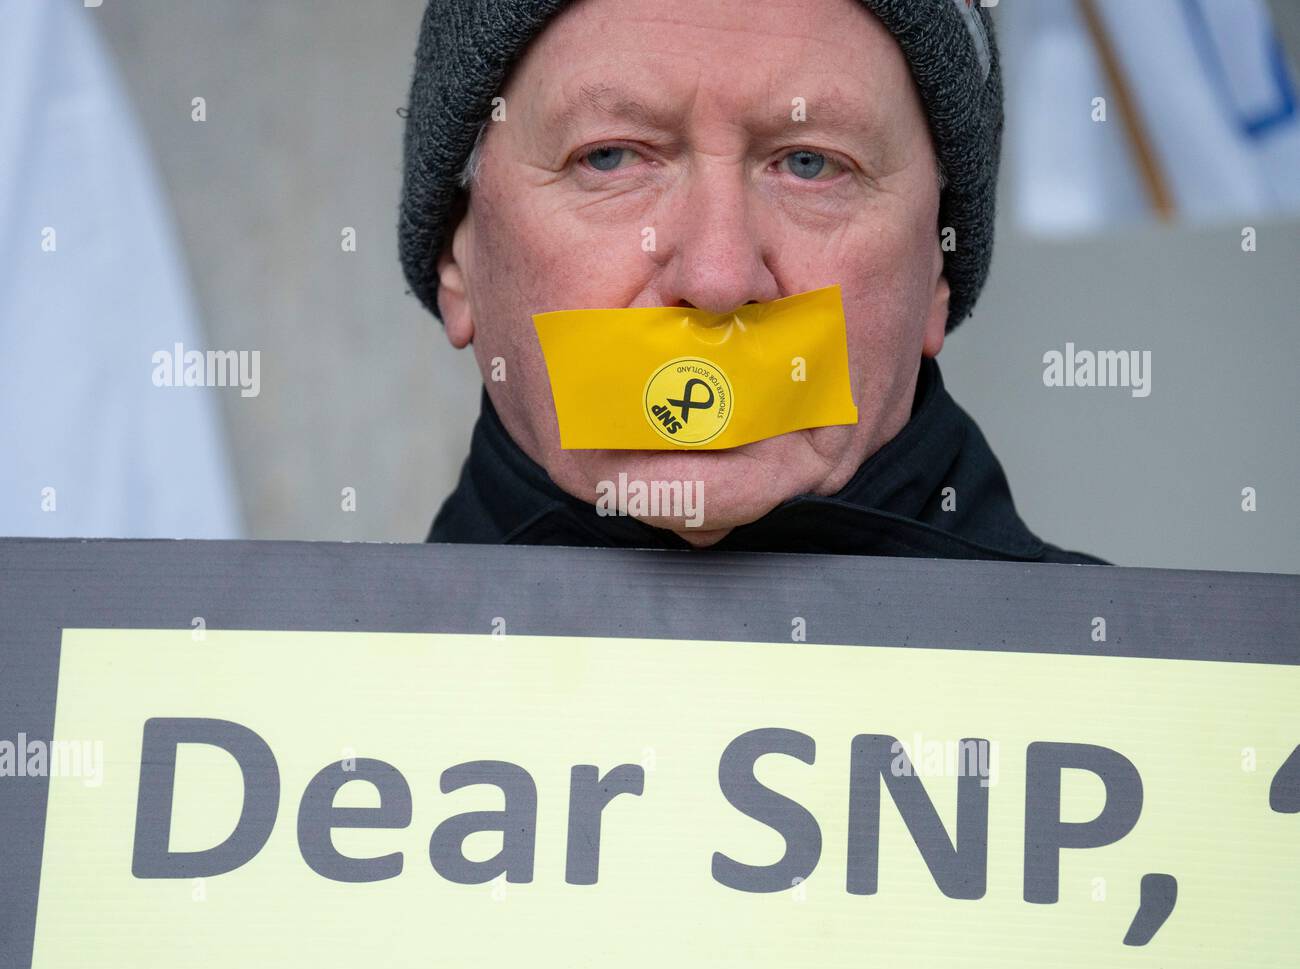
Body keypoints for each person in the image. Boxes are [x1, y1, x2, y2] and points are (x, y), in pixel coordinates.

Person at [399, 0, 1103, 563]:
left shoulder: (1145, 709)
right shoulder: (319, 719)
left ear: (938, 267)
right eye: (609, 157)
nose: (718, 278)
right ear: (455, 259)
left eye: (810, 165)